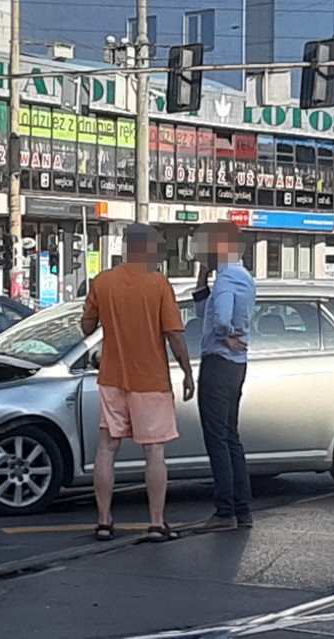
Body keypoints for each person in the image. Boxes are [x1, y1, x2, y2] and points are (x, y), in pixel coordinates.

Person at [81, 223, 194, 543]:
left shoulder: (102, 282)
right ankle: (156, 523)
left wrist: (94, 310)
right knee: (154, 452)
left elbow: (86, 327)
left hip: (112, 378)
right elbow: (173, 333)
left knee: (106, 447)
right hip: (151, 380)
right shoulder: (158, 284)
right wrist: (186, 371)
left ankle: (104, 521)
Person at [191, 222, 257, 533]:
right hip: (237, 365)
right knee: (230, 435)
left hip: (218, 362)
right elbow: (203, 312)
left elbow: (218, 316)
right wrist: (203, 279)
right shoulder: (241, 276)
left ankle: (224, 510)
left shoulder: (228, 278)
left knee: (216, 436)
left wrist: (225, 333)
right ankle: (242, 509)